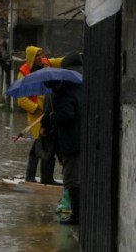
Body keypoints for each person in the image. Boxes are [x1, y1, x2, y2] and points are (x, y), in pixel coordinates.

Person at [16, 45, 63, 185]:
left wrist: (77, 56)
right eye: (36, 55)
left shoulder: (46, 63)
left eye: (40, 55)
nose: (39, 58)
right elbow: (21, 99)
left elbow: (60, 61)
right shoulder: (24, 72)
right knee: (42, 144)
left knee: (44, 144)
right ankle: (39, 178)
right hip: (37, 116)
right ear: (30, 58)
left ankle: (40, 178)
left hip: (49, 112)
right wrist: (37, 109)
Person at [41, 79, 82, 225]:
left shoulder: (65, 95)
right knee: (74, 176)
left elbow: (67, 115)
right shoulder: (76, 89)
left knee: (71, 179)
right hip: (77, 141)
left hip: (72, 143)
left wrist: (52, 117)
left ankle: (77, 215)